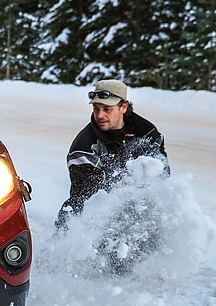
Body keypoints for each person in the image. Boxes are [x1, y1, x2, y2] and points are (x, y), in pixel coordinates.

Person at [56, 79, 168, 230]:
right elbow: (85, 195)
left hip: (139, 209)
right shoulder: (84, 146)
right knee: (72, 214)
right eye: (96, 109)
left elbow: (163, 176)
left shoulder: (147, 133)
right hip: (97, 212)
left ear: (123, 107)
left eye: (107, 109)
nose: (100, 115)